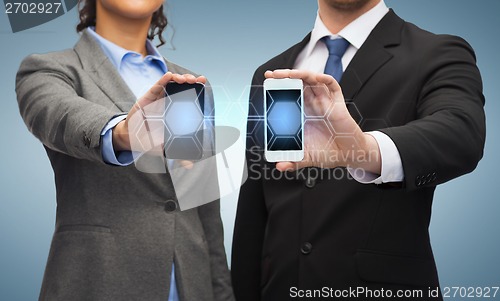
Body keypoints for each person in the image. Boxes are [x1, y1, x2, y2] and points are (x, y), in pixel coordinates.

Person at [231, 0, 485, 300]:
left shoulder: (437, 52)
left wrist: (362, 149)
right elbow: (255, 207)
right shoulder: (270, 73)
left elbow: (460, 133)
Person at [16, 0, 234, 300]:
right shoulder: (49, 69)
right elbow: (58, 116)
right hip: (98, 282)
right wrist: (122, 132)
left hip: (192, 287)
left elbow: (207, 217)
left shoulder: (192, 85)